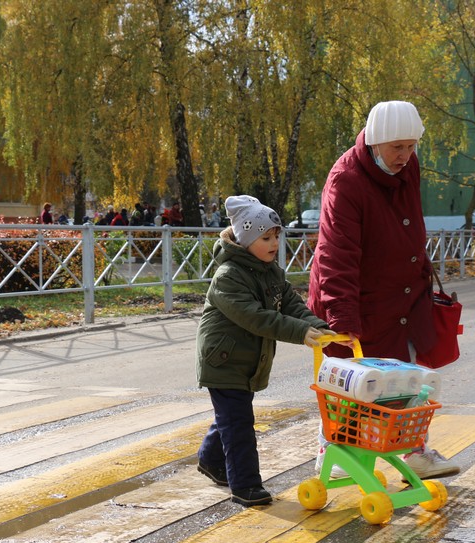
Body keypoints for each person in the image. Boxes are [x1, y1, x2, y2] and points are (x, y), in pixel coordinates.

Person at [306, 100, 460, 480]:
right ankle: (338, 453)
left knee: (410, 379)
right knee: (351, 381)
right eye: (397, 148)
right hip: (354, 297)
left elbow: (409, 221)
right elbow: (335, 253)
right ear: (375, 142)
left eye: (411, 146)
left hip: (402, 294)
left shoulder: (408, 166)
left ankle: (417, 452)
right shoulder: (346, 180)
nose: (405, 156)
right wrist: (342, 317)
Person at [196, 195, 332, 507]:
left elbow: (292, 302)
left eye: (276, 236)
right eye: (265, 237)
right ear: (245, 241)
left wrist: (315, 324)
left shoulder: (270, 271)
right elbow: (256, 318)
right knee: (239, 422)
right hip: (223, 360)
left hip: (246, 360)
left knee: (231, 417)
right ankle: (245, 486)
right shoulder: (228, 276)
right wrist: (301, 333)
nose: (273, 244)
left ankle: (211, 459)